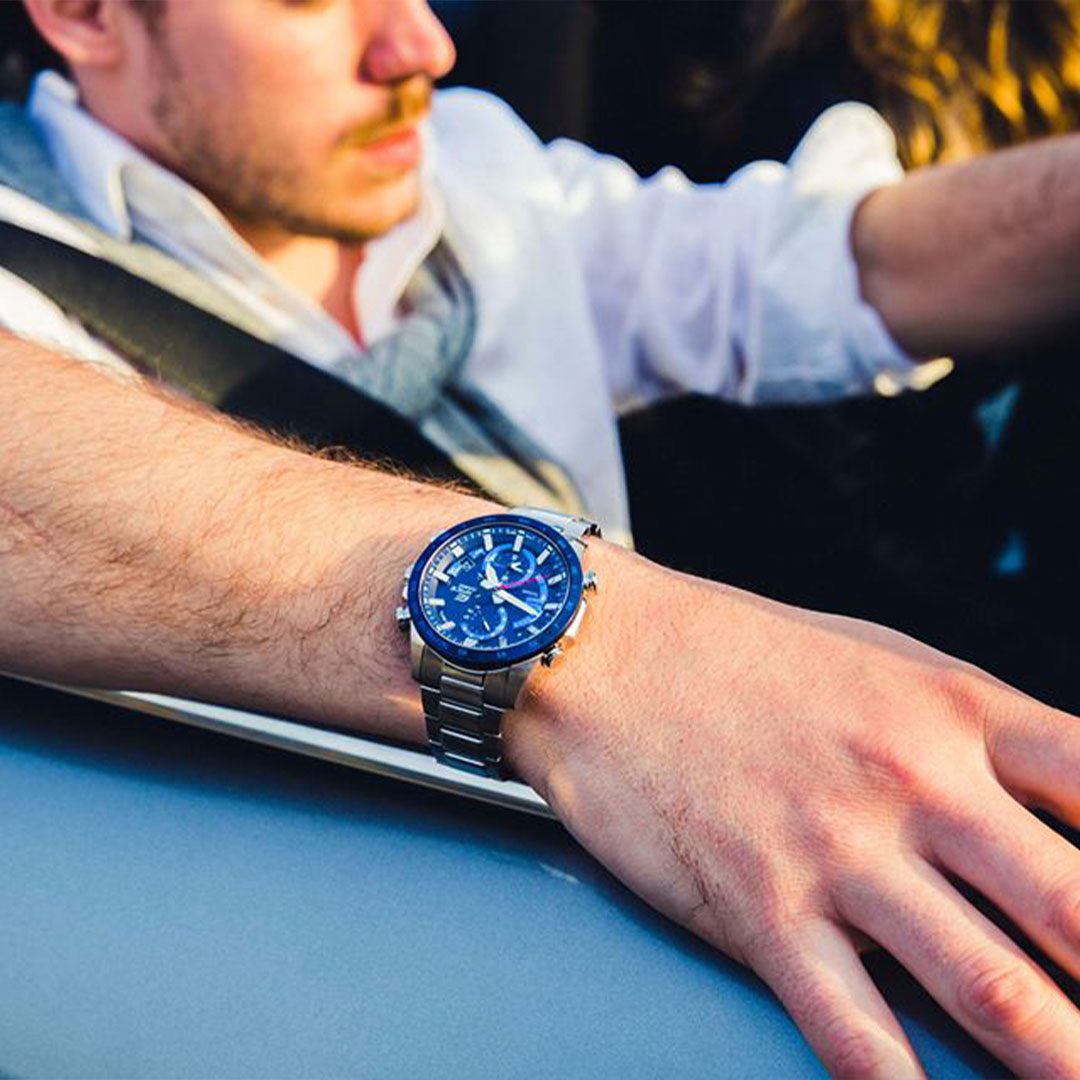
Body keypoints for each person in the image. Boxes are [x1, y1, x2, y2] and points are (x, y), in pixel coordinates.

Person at [1, 1, 1080, 1076]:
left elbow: (837, 269)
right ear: (87, 15)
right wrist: (631, 661)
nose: (421, 47)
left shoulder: (476, 161)